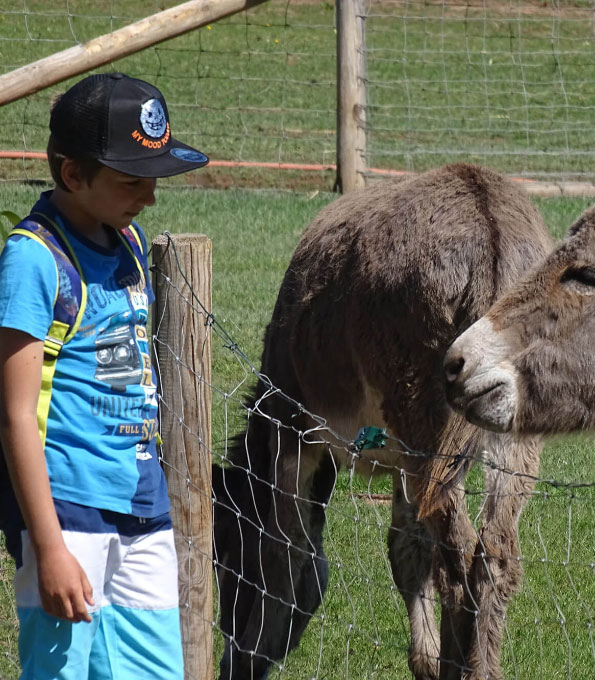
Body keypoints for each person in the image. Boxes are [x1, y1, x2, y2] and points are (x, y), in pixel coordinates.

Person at [0, 72, 209, 679]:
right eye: (131, 181)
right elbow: (13, 414)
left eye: (154, 178)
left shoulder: (130, 242)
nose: (148, 196)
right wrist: (49, 546)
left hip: (143, 506)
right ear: (72, 175)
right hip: (68, 511)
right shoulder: (34, 260)